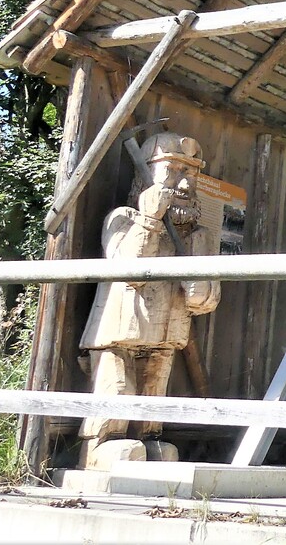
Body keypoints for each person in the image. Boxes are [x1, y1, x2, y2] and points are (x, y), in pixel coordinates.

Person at [78, 132, 220, 470]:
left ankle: (149, 436)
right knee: (117, 388)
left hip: (166, 335)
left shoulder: (198, 236)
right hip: (121, 331)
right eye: (172, 171)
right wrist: (149, 220)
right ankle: (101, 444)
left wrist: (200, 290)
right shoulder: (123, 219)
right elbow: (129, 271)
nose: (183, 184)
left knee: (153, 393)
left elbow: (206, 299)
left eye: (191, 174)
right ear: (146, 173)